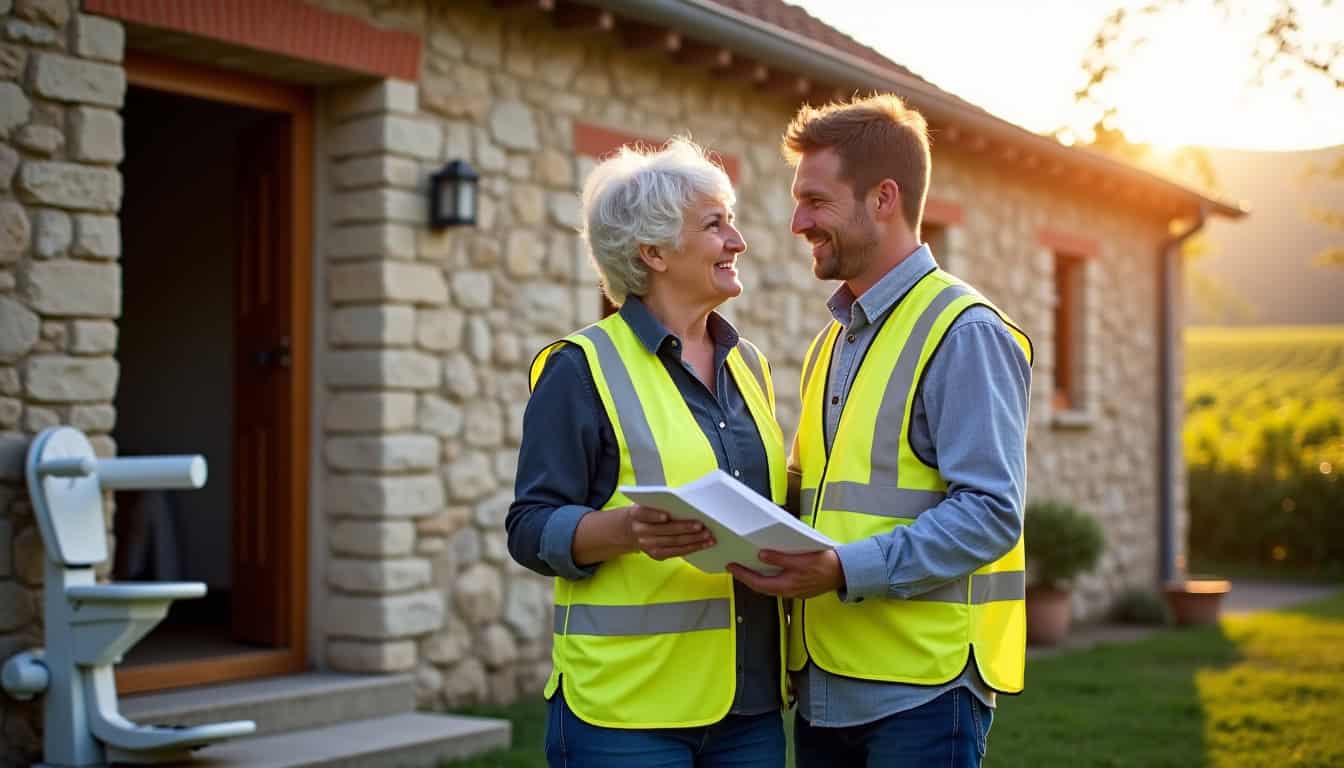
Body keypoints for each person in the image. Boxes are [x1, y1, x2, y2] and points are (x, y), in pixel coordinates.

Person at [726, 94, 1034, 767]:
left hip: (921, 697)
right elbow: (823, 501)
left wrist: (842, 568)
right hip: (825, 690)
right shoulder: (831, 344)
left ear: (884, 198)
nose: (796, 221)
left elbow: (989, 513)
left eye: (815, 200)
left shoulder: (965, 332)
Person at [507, 137, 790, 768]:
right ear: (654, 251)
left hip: (750, 713)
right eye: (716, 225)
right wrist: (628, 530)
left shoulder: (751, 368)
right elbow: (529, 528)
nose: (738, 241)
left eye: (733, 222)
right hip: (627, 716)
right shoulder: (579, 369)